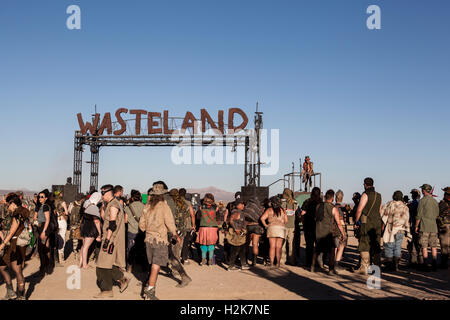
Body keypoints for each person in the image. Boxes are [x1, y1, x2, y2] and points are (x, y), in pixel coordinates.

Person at [139, 186, 181, 300]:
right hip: (160, 240)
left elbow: (141, 225)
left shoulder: (147, 206)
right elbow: (170, 222)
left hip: (148, 239)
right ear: (162, 195)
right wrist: (175, 234)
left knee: (152, 264)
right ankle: (150, 292)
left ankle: (148, 287)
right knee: (156, 266)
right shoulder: (164, 206)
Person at [94, 185, 129, 298]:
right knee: (107, 263)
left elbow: (112, 225)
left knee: (101, 266)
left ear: (109, 192)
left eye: (103, 193)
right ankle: (122, 279)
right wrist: (104, 206)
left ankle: (107, 290)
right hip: (111, 239)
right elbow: (105, 219)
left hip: (111, 240)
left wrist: (107, 240)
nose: (101, 195)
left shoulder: (114, 205)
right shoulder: (112, 203)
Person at [0, 194, 30, 300]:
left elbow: (12, 231)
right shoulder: (22, 212)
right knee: (5, 267)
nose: (8, 207)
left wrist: (3, 244)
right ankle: (13, 293)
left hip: (15, 245)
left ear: (13, 204)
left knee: (16, 270)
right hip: (17, 245)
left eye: (9, 204)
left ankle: (20, 295)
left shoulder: (17, 214)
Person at [311, 190, 345, 274]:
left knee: (317, 250)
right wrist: (343, 233)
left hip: (318, 231)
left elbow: (315, 218)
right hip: (328, 232)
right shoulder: (333, 208)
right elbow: (338, 223)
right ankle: (331, 269)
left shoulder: (318, 206)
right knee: (332, 251)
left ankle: (312, 267)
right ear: (333, 198)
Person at [353, 177, 383, 274]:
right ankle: (376, 267)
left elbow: (359, 210)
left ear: (365, 185)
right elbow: (380, 211)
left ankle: (364, 268)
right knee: (375, 244)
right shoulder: (379, 196)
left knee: (365, 244)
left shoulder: (365, 195)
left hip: (367, 223)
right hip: (377, 223)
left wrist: (356, 221)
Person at [381, 191, 411, 272]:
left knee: (389, 247)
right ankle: (396, 267)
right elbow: (407, 219)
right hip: (400, 229)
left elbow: (384, 216)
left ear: (394, 196)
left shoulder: (390, 204)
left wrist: (383, 226)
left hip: (391, 229)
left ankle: (389, 265)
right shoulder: (405, 207)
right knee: (398, 247)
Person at [415, 184, 440, 271]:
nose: (421, 191)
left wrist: (416, 226)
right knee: (434, 246)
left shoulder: (422, 201)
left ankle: (425, 265)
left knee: (424, 246)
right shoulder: (435, 201)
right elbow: (437, 214)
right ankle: (434, 264)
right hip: (433, 227)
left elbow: (418, 215)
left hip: (424, 226)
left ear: (424, 190)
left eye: (422, 189)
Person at [260, 196, 287, 268]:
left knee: (272, 247)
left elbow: (262, 218)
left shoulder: (269, 210)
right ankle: (278, 263)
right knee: (279, 247)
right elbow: (286, 221)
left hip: (271, 228)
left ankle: (271, 264)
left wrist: (266, 225)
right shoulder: (283, 210)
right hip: (281, 229)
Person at [33, 190, 54, 275]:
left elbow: (47, 220)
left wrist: (44, 231)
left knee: (41, 249)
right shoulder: (41, 206)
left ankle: (43, 268)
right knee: (45, 247)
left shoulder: (45, 206)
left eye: (42, 197)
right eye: (39, 197)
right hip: (41, 227)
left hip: (44, 228)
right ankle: (47, 266)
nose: (40, 198)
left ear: (46, 198)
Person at [79, 192, 102, 269]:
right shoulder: (94, 207)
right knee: (86, 247)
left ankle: (81, 262)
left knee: (83, 246)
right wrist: (99, 233)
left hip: (84, 226)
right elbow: (97, 221)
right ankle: (85, 265)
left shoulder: (86, 203)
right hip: (91, 229)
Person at [300, 187, 321, 267]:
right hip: (319, 227)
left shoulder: (307, 202)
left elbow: (302, 214)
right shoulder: (321, 203)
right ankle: (318, 263)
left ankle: (308, 262)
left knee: (309, 246)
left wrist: (303, 223)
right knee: (318, 246)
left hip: (308, 226)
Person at [124, 189, 144, 273]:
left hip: (131, 231)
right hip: (141, 231)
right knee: (141, 249)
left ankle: (129, 267)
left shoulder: (128, 207)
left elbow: (125, 220)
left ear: (132, 198)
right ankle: (141, 267)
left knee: (130, 249)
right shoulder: (144, 206)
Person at [227, 199, 250, 271]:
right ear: (237, 205)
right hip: (237, 234)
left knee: (242, 249)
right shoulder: (236, 212)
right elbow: (230, 220)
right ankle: (231, 266)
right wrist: (236, 229)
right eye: (242, 204)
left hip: (240, 233)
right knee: (235, 249)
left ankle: (243, 264)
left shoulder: (239, 212)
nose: (243, 206)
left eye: (244, 204)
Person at [196, 193, 219, 266]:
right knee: (211, 244)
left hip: (203, 227)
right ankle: (210, 260)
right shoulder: (216, 208)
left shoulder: (201, 207)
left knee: (203, 244)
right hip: (213, 228)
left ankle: (203, 259)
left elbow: (198, 217)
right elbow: (218, 218)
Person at [243, 197, 264, 266]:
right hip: (256, 226)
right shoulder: (260, 208)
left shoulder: (247, 207)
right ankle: (254, 262)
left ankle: (245, 261)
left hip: (248, 226)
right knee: (255, 244)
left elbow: (244, 216)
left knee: (247, 244)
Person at [179, 188, 196, 265]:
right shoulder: (188, 203)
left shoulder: (176, 202)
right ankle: (184, 258)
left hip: (177, 226)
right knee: (186, 243)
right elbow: (192, 215)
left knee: (177, 243)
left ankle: (176, 258)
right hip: (187, 226)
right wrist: (193, 225)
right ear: (185, 194)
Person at [281, 188, 298, 265]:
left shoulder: (282, 202)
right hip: (292, 225)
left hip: (284, 225)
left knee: (283, 243)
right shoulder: (295, 203)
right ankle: (292, 260)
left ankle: (282, 259)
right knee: (291, 243)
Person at [407, 189, 423, 268]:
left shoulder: (414, 203)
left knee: (412, 243)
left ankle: (413, 261)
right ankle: (421, 261)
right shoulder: (421, 202)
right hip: (421, 225)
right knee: (419, 243)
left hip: (414, 225)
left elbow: (411, 212)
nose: (411, 195)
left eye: (412, 194)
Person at [333, 190, 347, 272]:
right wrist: (343, 232)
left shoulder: (333, 207)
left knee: (334, 246)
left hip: (332, 229)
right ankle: (336, 263)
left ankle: (332, 262)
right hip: (339, 229)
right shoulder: (340, 209)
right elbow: (340, 221)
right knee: (340, 246)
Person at [53, 191, 68, 267]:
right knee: (62, 238)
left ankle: (55, 258)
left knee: (55, 239)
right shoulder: (63, 202)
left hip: (55, 221)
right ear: (60, 194)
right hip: (61, 221)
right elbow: (67, 212)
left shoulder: (52, 202)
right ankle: (61, 258)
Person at [68, 194, 84, 261]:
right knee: (79, 238)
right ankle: (77, 252)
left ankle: (75, 252)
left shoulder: (71, 204)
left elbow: (69, 212)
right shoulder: (82, 206)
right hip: (78, 224)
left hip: (72, 224)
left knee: (74, 239)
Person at [437, 187, 450, 269]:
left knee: (444, 245)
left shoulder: (443, 204)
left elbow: (438, 214)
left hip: (444, 226)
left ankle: (444, 264)